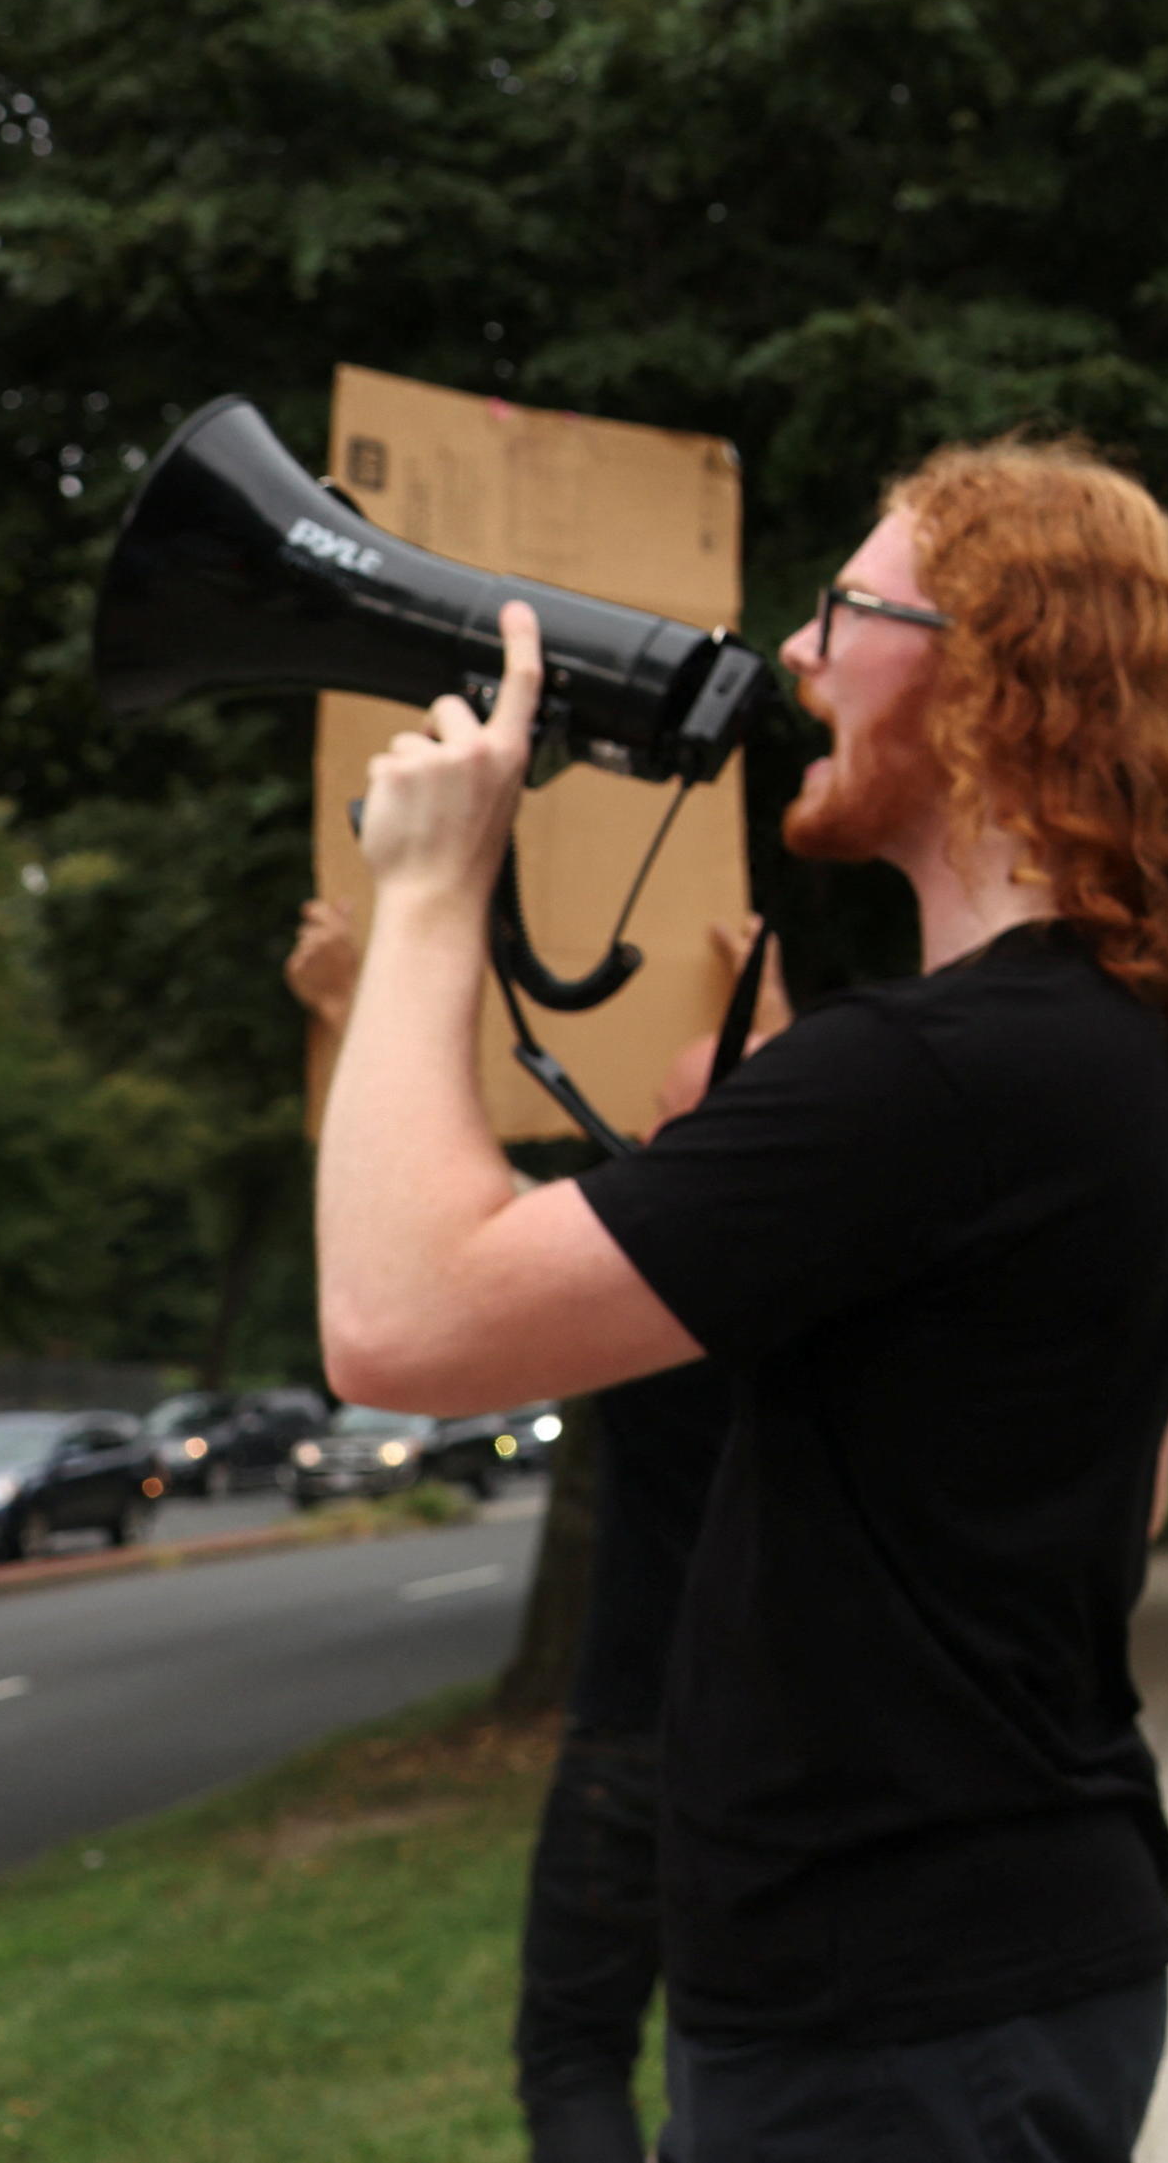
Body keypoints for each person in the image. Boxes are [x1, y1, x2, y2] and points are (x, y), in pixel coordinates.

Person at [320, 438, 1168, 2163]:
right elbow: (1121, 1491)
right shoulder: (1117, 1053)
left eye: (846, 605)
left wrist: (427, 896)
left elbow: (402, 1328)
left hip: (892, 2013)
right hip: (997, 1965)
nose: (792, 648)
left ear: (992, 672)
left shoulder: (941, 1073)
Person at [289, 901, 787, 2163]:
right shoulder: (847, 1271)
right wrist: (768, 1021)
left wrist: (359, 1009)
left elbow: (426, 1235)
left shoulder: (637, 1278)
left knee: (574, 2058)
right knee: (773, 2058)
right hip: (795, 1743)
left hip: (635, 1732)